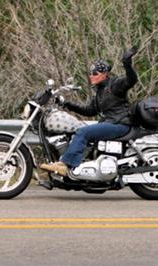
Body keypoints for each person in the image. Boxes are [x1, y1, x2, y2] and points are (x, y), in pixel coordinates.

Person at [40, 47, 138, 176]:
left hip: (119, 123)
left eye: (95, 73)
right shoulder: (99, 92)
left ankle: (66, 166)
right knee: (79, 132)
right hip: (111, 122)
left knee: (84, 132)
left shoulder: (115, 84)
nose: (91, 76)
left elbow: (131, 80)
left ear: (105, 74)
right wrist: (66, 103)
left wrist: (127, 63)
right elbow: (89, 111)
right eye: (91, 73)